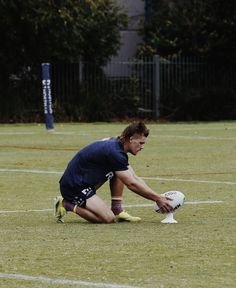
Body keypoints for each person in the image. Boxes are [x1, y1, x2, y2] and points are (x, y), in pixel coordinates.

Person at [54, 122, 173, 223]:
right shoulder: (115, 152)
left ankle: (117, 209)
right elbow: (131, 183)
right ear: (131, 139)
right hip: (74, 186)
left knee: (119, 172)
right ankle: (66, 204)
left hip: (86, 181)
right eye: (141, 143)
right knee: (107, 218)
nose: (142, 147)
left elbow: (134, 177)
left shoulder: (118, 145)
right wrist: (157, 198)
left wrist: (158, 196)